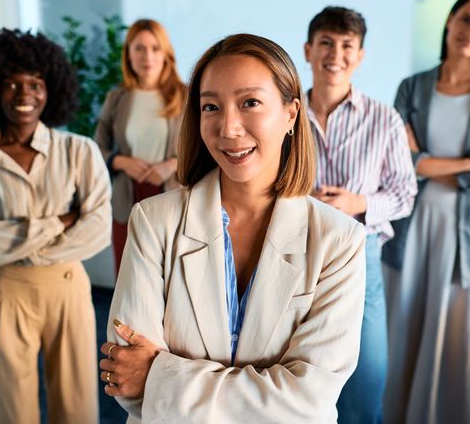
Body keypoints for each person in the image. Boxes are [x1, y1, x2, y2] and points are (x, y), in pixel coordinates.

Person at [98, 33, 366, 423]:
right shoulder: (153, 221)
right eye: (211, 106)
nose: (229, 127)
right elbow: (127, 380)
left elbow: (309, 401)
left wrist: (160, 378)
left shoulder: (339, 240)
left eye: (250, 102)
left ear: (291, 114)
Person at [0, 29, 111, 424]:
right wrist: (59, 221)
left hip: (68, 287)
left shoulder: (79, 151)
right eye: (12, 84)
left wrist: (14, 235)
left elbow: (99, 227)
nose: (25, 94)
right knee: (12, 409)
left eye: (35, 84)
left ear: (51, 89)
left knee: (77, 407)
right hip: (7, 293)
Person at [382, 0, 470, 424]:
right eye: (466, 19)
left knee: (462, 341)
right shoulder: (412, 87)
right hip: (411, 228)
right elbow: (394, 161)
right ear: (449, 20)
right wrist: (465, 161)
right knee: (400, 328)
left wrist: (423, 162)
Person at [304, 6, 417, 423]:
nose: (336, 54)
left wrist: (358, 203)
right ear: (308, 50)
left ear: (360, 55)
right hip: (295, 251)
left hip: (360, 253)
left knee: (368, 370)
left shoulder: (386, 119)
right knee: (297, 369)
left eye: (347, 45)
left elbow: (406, 194)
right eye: (327, 43)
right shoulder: (284, 113)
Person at [94, 18, 186, 276]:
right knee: (130, 281)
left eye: (155, 48)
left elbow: (206, 148)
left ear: (166, 53)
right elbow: (94, 151)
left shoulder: (186, 95)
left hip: (171, 195)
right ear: (128, 54)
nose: (148, 56)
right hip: (128, 199)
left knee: (171, 280)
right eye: (139, 48)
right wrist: (122, 162)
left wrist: (172, 164)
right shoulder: (116, 99)